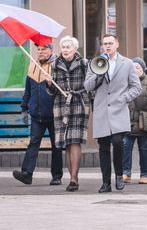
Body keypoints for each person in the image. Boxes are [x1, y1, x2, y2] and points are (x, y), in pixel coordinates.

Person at [84, 34, 142, 193]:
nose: (107, 46)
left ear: (117, 44)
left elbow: (136, 87)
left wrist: (124, 98)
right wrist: (99, 73)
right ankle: (105, 182)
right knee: (103, 147)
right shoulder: (95, 63)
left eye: (110, 43)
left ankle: (119, 174)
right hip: (102, 111)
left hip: (119, 110)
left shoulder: (127, 63)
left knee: (117, 142)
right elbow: (87, 86)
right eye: (105, 43)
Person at [13, 43, 62, 186]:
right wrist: (24, 108)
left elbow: (61, 90)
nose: (40, 52)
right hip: (36, 114)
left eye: (44, 49)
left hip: (54, 114)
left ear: (51, 50)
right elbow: (28, 91)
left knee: (56, 146)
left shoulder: (57, 66)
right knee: (33, 143)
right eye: (38, 49)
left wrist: (51, 82)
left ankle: (56, 176)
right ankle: (27, 174)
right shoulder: (32, 66)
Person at [46, 36, 90, 191]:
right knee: (66, 142)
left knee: (75, 140)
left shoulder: (84, 63)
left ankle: (74, 178)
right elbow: (52, 92)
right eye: (63, 47)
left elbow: (90, 85)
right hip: (61, 104)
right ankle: (72, 177)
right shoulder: (54, 64)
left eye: (68, 47)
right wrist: (49, 83)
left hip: (79, 102)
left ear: (75, 49)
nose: (65, 50)